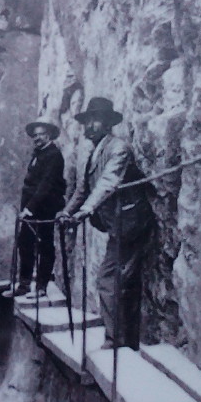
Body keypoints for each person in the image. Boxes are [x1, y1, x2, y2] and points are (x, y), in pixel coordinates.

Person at [57, 97, 154, 350]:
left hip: (131, 224)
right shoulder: (91, 153)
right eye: (87, 121)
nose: (89, 126)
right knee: (118, 280)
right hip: (117, 226)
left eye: (95, 120)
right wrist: (66, 212)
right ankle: (122, 339)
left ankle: (117, 341)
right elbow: (81, 190)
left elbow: (108, 182)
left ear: (108, 122)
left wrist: (87, 210)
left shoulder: (118, 148)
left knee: (109, 279)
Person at [3, 116, 65, 298]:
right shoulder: (37, 155)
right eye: (35, 135)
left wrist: (30, 207)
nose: (37, 138)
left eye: (41, 135)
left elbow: (45, 184)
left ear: (49, 135)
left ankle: (41, 287)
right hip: (32, 208)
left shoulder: (54, 155)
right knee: (25, 242)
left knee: (45, 245)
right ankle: (23, 285)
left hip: (45, 208)